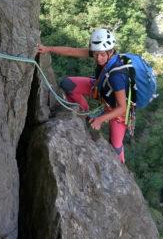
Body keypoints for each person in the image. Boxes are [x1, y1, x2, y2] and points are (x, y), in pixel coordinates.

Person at [36, 28, 128, 163]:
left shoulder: (117, 76)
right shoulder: (100, 53)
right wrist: (49, 48)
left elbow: (122, 108)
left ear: (111, 52)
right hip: (101, 89)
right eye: (96, 54)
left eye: (102, 55)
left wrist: (100, 119)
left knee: (115, 146)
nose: (98, 58)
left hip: (117, 110)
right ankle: (84, 114)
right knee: (68, 84)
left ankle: (122, 170)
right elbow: (72, 51)